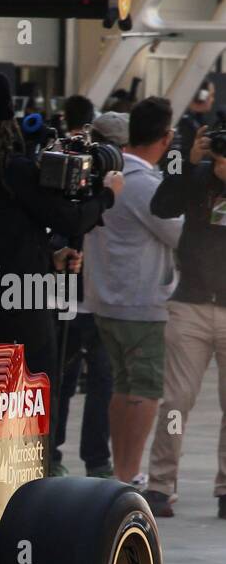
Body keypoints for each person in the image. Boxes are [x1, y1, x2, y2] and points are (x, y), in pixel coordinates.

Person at [0, 70, 122, 526]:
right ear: (9, 117)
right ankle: (24, 507)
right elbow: (69, 215)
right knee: (27, 407)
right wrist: (105, 196)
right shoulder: (17, 170)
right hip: (23, 305)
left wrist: (47, 254)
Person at [88, 97, 183, 489]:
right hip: (141, 303)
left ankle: (120, 470)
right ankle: (128, 473)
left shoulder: (108, 174)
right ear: (166, 137)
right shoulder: (145, 185)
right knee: (143, 387)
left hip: (105, 297)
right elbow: (180, 233)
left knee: (123, 385)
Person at [145, 122, 226, 518]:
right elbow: (162, 206)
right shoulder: (194, 175)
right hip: (190, 305)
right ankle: (160, 484)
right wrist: (188, 163)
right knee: (177, 401)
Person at [53, 111, 126, 477]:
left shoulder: (127, 184)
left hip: (98, 297)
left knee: (99, 380)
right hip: (74, 294)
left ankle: (93, 459)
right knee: (71, 380)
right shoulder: (71, 177)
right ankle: (58, 455)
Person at [171, 79, 216, 168]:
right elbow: (174, 166)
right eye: (211, 95)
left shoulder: (197, 120)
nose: (213, 100)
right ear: (201, 96)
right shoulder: (184, 123)